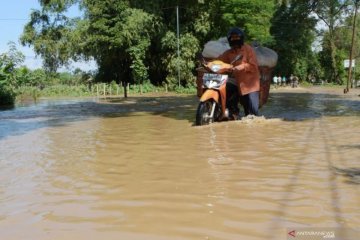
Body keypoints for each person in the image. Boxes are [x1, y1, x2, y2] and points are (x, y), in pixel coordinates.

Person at [217, 27, 260, 117]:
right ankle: (229, 111)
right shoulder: (228, 53)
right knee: (224, 89)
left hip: (250, 85)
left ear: (241, 38)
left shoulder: (248, 50)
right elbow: (219, 61)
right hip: (238, 83)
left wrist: (240, 67)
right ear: (229, 39)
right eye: (232, 38)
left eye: (237, 37)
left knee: (252, 113)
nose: (235, 39)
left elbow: (253, 66)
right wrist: (207, 64)